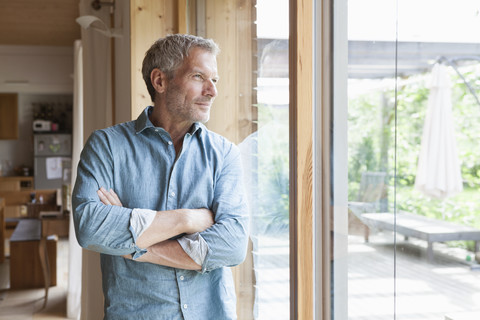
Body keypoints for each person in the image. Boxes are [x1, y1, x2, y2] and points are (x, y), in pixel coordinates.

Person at [72, 34, 249, 320]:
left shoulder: (224, 154)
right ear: (160, 81)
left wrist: (134, 247)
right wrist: (187, 219)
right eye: (198, 76)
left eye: (214, 79)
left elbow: (233, 245)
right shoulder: (106, 145)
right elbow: (91, 228)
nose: (212, 91)